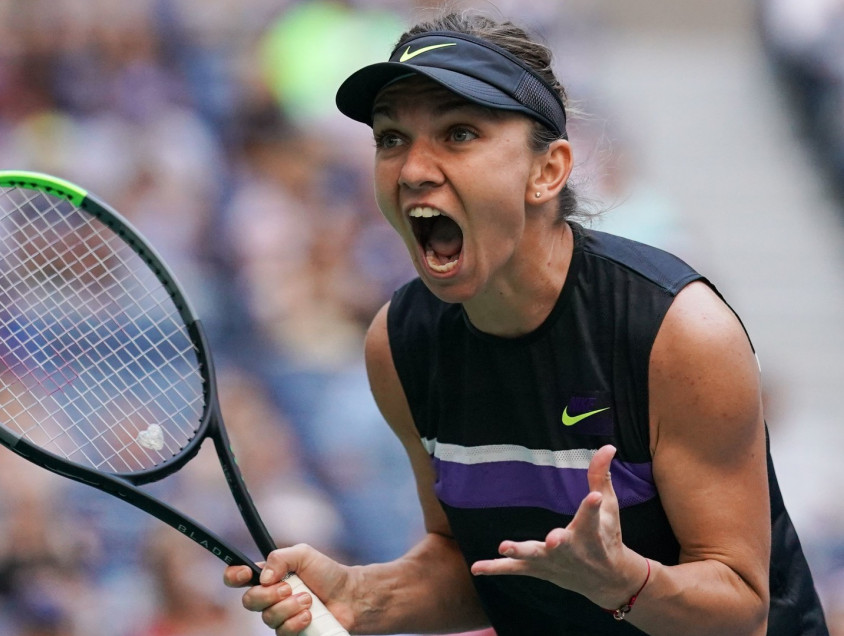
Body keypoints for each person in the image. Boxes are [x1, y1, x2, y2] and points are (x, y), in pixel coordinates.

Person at [224, 10, 829, 636]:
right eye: (391, 138)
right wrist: (361, 596)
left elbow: (742, 607)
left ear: (548, 170)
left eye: (458, 134)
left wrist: (625, 584)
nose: (412, 170)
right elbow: (471, 565)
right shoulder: (400, 346)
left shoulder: (676, 333)